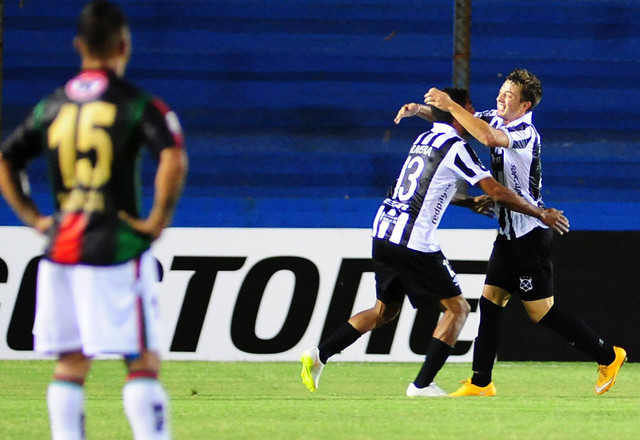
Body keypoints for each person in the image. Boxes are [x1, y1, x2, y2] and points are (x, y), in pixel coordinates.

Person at [300, 87, 569, 397]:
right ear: (457, 113)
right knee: (458, 309)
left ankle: (319, 355)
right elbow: (496, 191)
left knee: (383, 311)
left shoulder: (424, 140)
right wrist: (539, 212)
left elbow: (420, 188)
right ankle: (422, 385)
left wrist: (467, 203)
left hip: (383, 231)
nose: (470, 115)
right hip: (413, 240)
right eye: (465, 110)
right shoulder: (456, 147)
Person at [0, 1, 187, 438]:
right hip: (115, 246)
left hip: (61, 249)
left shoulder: (52, 106)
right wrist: (157, 220)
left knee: (70, 364)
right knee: (141, 361)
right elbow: (173, 156)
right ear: (124, 45)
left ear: (78, 46)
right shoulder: (138, 104)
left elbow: (6, 161)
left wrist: (34, 219)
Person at [423, 68, 626, 396]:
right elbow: (466, 120)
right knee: (491, 300)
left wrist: (449, 103)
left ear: (525, 106)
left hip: (530, 236)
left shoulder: (524, 131)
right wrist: (422, 110)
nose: (501, 98)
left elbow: (486, 137)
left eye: (510, 96)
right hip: (507, 235)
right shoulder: (495, 117)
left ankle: (609, 355)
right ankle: (481, 381)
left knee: (541, 313)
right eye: (501, 91)